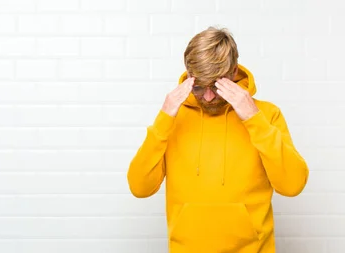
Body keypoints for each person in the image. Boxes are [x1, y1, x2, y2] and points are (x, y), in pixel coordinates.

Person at [126, 27, 309, 252]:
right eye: (200, 87)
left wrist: (254, 119)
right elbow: (139, 187)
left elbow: (293, 185)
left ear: (233, 72)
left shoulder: (266, 115)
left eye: (216, 85)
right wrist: (164, 119)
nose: (209, 97)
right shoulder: (173, 118)